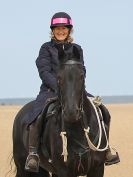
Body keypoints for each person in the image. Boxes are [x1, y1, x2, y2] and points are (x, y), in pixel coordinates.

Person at [25, 12, 120, 172]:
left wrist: (73, 87)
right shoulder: (46, 48)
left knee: (102, 110)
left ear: (69, 30)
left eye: (64, 28)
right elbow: (44, 71)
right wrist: (59, 86)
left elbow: (81, 70)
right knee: (38, 114)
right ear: (52, 30)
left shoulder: (77, 49)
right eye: (57, 28)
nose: (60, 31)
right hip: (51, 90)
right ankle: (33, 153)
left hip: (75, 90)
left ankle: (106, 148)